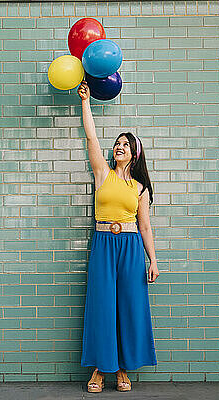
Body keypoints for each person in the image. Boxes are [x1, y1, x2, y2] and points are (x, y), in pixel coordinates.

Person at [77, 81, 160, 393]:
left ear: (134, 153)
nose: (118, 147)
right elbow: (91, 136)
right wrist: (85, 102)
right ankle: (101, 369)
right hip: (103, 245)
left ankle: (122, 369)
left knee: (128, 305)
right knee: (102, 305)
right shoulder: (103, 173)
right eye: (117, 144)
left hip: (130, 246)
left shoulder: (139, 187)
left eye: (125, 144)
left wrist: (152, 260)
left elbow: (146, 227)